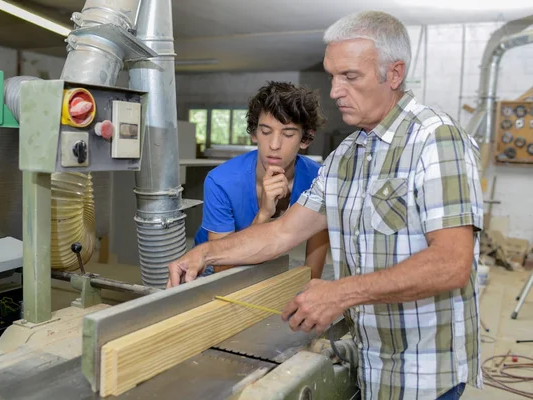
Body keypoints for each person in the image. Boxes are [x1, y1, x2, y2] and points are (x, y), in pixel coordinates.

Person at [169, 11, 483, 400]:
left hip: (422, 367)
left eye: (350, 77)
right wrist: (205, 251)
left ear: (394, 74)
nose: (334, 91)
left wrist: (340, 292)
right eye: (332, 76)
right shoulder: (346, 156)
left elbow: (453, 263)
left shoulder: (436, 140)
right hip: (370, 357)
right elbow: (284, 233)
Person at [194, 81, 330, 279]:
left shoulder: (319, 179)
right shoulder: (221, 181)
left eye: (288, 134)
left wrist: (307, 295)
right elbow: (222, 271)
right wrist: (265, 214)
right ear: (254, 133)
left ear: (305, 139)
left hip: (270, 263)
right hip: (211, 269)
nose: (274, 145)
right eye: (266, 132)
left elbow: (313, 268)